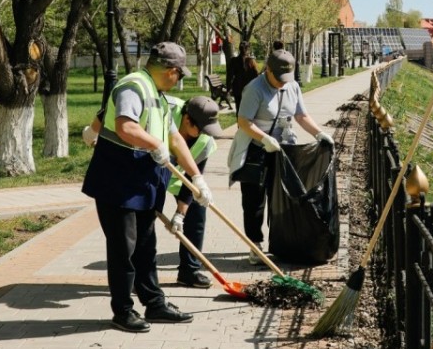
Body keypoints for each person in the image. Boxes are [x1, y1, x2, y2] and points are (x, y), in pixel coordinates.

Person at [82, 42, 211, 333]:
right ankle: (123, 311)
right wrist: (155, 144)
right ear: (170, 71)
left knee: (145, 246)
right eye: (180, 74)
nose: (179, 80)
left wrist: (197, 178)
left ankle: (154, 303)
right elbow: (126, 126)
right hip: (119, 181)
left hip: (142, 182)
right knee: (123, 249)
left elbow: (175, 138)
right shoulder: (134, 86)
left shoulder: (158, 96)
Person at [226, 49, 333, 263]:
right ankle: (255, 244)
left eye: (287, 78)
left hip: (283, 149)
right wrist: (264, 138)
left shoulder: (292, 86)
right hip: (255, 150)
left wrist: (319, 133)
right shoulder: (254, 89)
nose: (283, 83)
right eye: (278, 78)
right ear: (268, 69)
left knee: (283, 197)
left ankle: (283, 240)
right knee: (254, 200)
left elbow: (301, 115)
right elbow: (243, 121)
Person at [163, 95, 223, 288]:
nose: (206, 134)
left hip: (178, 177)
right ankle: (140, 278)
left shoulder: (205, 140)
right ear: (187, 119)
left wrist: (180, 214)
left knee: (197, 210)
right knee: (143, 220)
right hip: (148, 171)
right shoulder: (166, 111)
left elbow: (192, 180)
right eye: (202, 128)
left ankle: (189, 272)